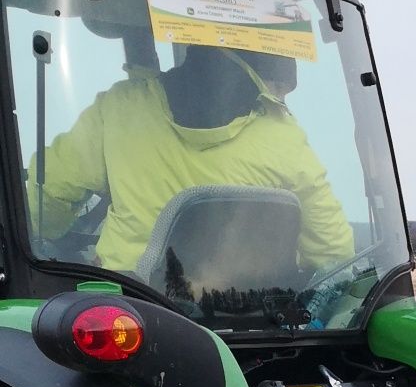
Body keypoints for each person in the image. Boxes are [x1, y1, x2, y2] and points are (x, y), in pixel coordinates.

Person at [28, 43, 354, 279]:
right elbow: (333, 254)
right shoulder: (285, 136)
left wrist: (52, 233)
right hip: (251, 327)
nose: (282, 95)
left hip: (130, 317)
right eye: (280, 85)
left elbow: (45, 197)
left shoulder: (119, 108)